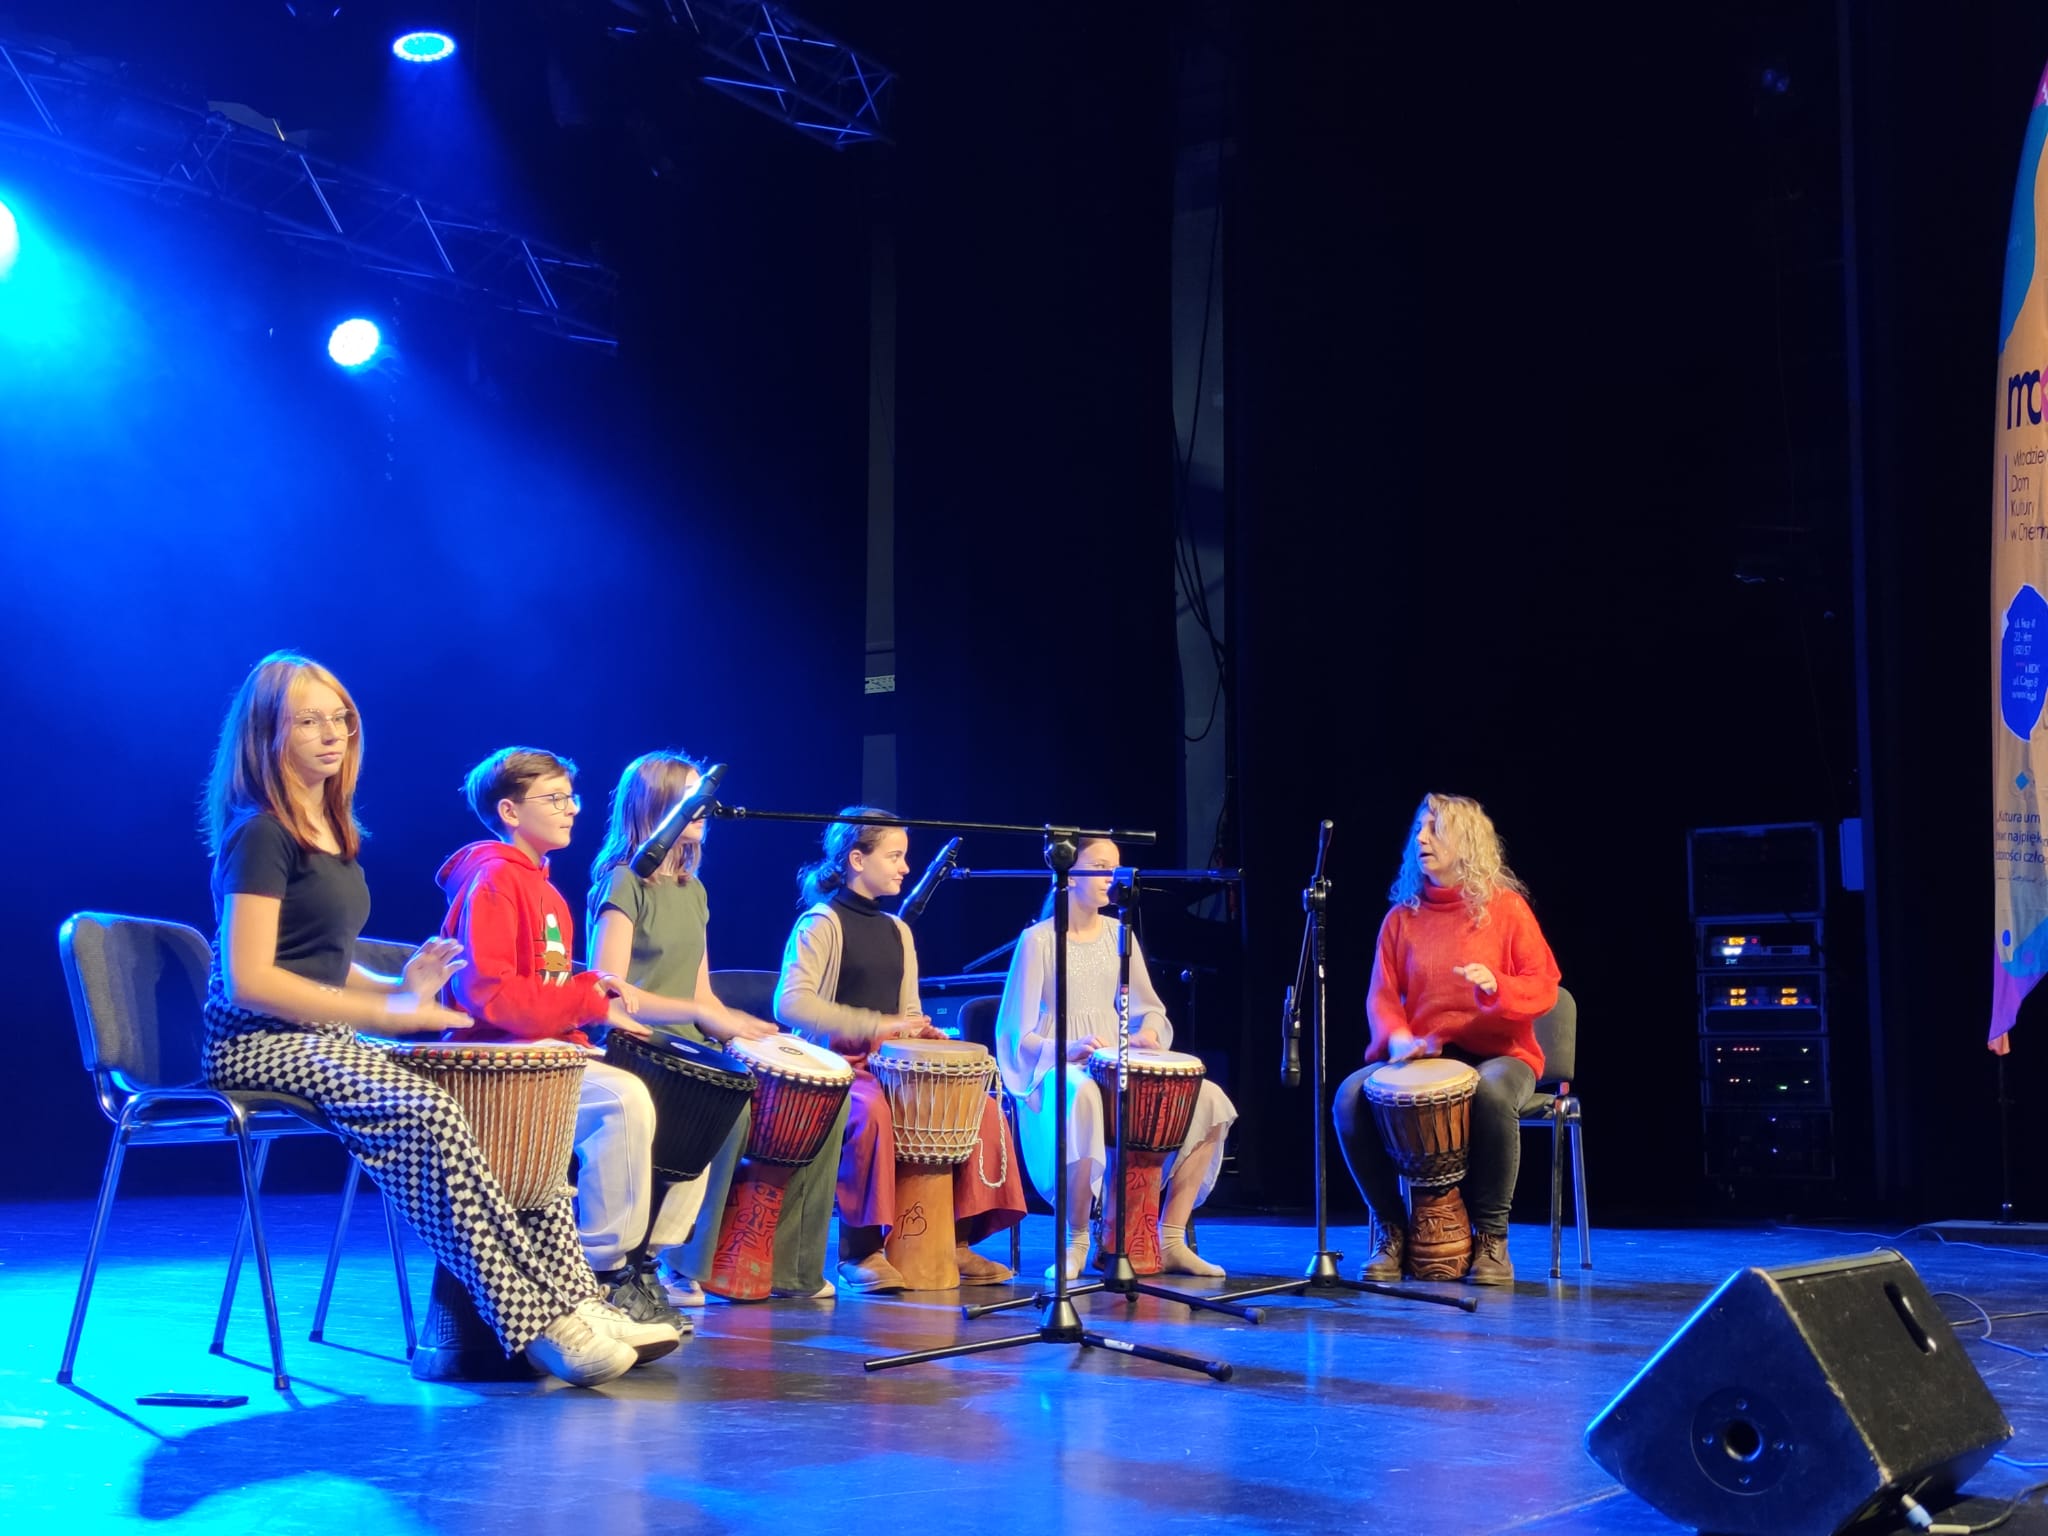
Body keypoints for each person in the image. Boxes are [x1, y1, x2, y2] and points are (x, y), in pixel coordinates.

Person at [201, 652, 650, 1387]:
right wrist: (388, 1010)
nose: (332, 734)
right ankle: (537, 1322)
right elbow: (251, 980)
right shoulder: (262, 833)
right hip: (256, 1043)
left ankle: (575, 1299)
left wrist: (398, 985)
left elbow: (318, 958)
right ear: (267, 734)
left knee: (491, 1110)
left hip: (317, 1037)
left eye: (341, 719)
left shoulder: (330, 830)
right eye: (308, 721)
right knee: (427, 1111)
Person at [435, 744, 689, 1343]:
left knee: (670, 1093)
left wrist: (589, 984)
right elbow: (490, 996)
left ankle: (643, 1262)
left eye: (571, 797)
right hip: (492, 1060)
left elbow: (545, 985)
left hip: (537, 1053)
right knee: (623, 1099)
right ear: (509, 811)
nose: (572, 809)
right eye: (554, 799)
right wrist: (587, 1003)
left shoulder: (544, 888)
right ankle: (600, 1275)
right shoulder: (494, 878)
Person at [585, 750, 843, 1304]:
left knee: (823, 1096)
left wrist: (747, 1029)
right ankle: (680, 1263)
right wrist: (703, 1017)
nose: (704, 809)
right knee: (733, 1103)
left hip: (692, 1044)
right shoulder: (623, 883)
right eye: (690, 799)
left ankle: (785, 1265)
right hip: (640, 1046)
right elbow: (608, 991)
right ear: (656, 806)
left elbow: (700, 995)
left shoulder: (693, 890)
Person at [774, 808, 1027, 1293]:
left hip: (891, 1064)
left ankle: (955, 1241)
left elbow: (908, 1011)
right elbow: (791, 1004)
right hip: (837, 1066)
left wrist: (922, 1034)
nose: (905, 867)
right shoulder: (821, 923)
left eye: (904, 857)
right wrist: (877, 1025)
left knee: (983, 1111)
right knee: (870, 1114)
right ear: (856, 859)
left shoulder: (898, 930)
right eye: (894, 856)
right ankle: (860, 1251)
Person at [1331, 793, 1561, 1286]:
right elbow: (1382, 997)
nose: (1421, 838)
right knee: (1349, 1098)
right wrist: (1397, 1038)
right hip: (1426, 1056)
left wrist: (1499, 986)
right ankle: (1392, 1230)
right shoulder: (1402, 918)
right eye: (1419, 828)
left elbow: (1544, 985)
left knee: (1492, 1093)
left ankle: (1493, 1240)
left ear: (1467, 842)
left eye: (1434, 828)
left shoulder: (1506, 909)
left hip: (1502, 1054)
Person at [994, 838, 1237, 1280]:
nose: (1113, 877)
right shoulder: (1039, 941)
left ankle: (1171, 1238)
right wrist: (1065, 1049)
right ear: (1070, 875)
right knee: (1084, 1095)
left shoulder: (1118, 935)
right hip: (1057, 1070)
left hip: (1115, 1063)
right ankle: (1075, 1240)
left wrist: (1148, 1034)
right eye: (1102, 867)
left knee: (1211, 1100)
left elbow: (1151, 1009)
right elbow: (1015, 1034)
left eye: (1116, 867)